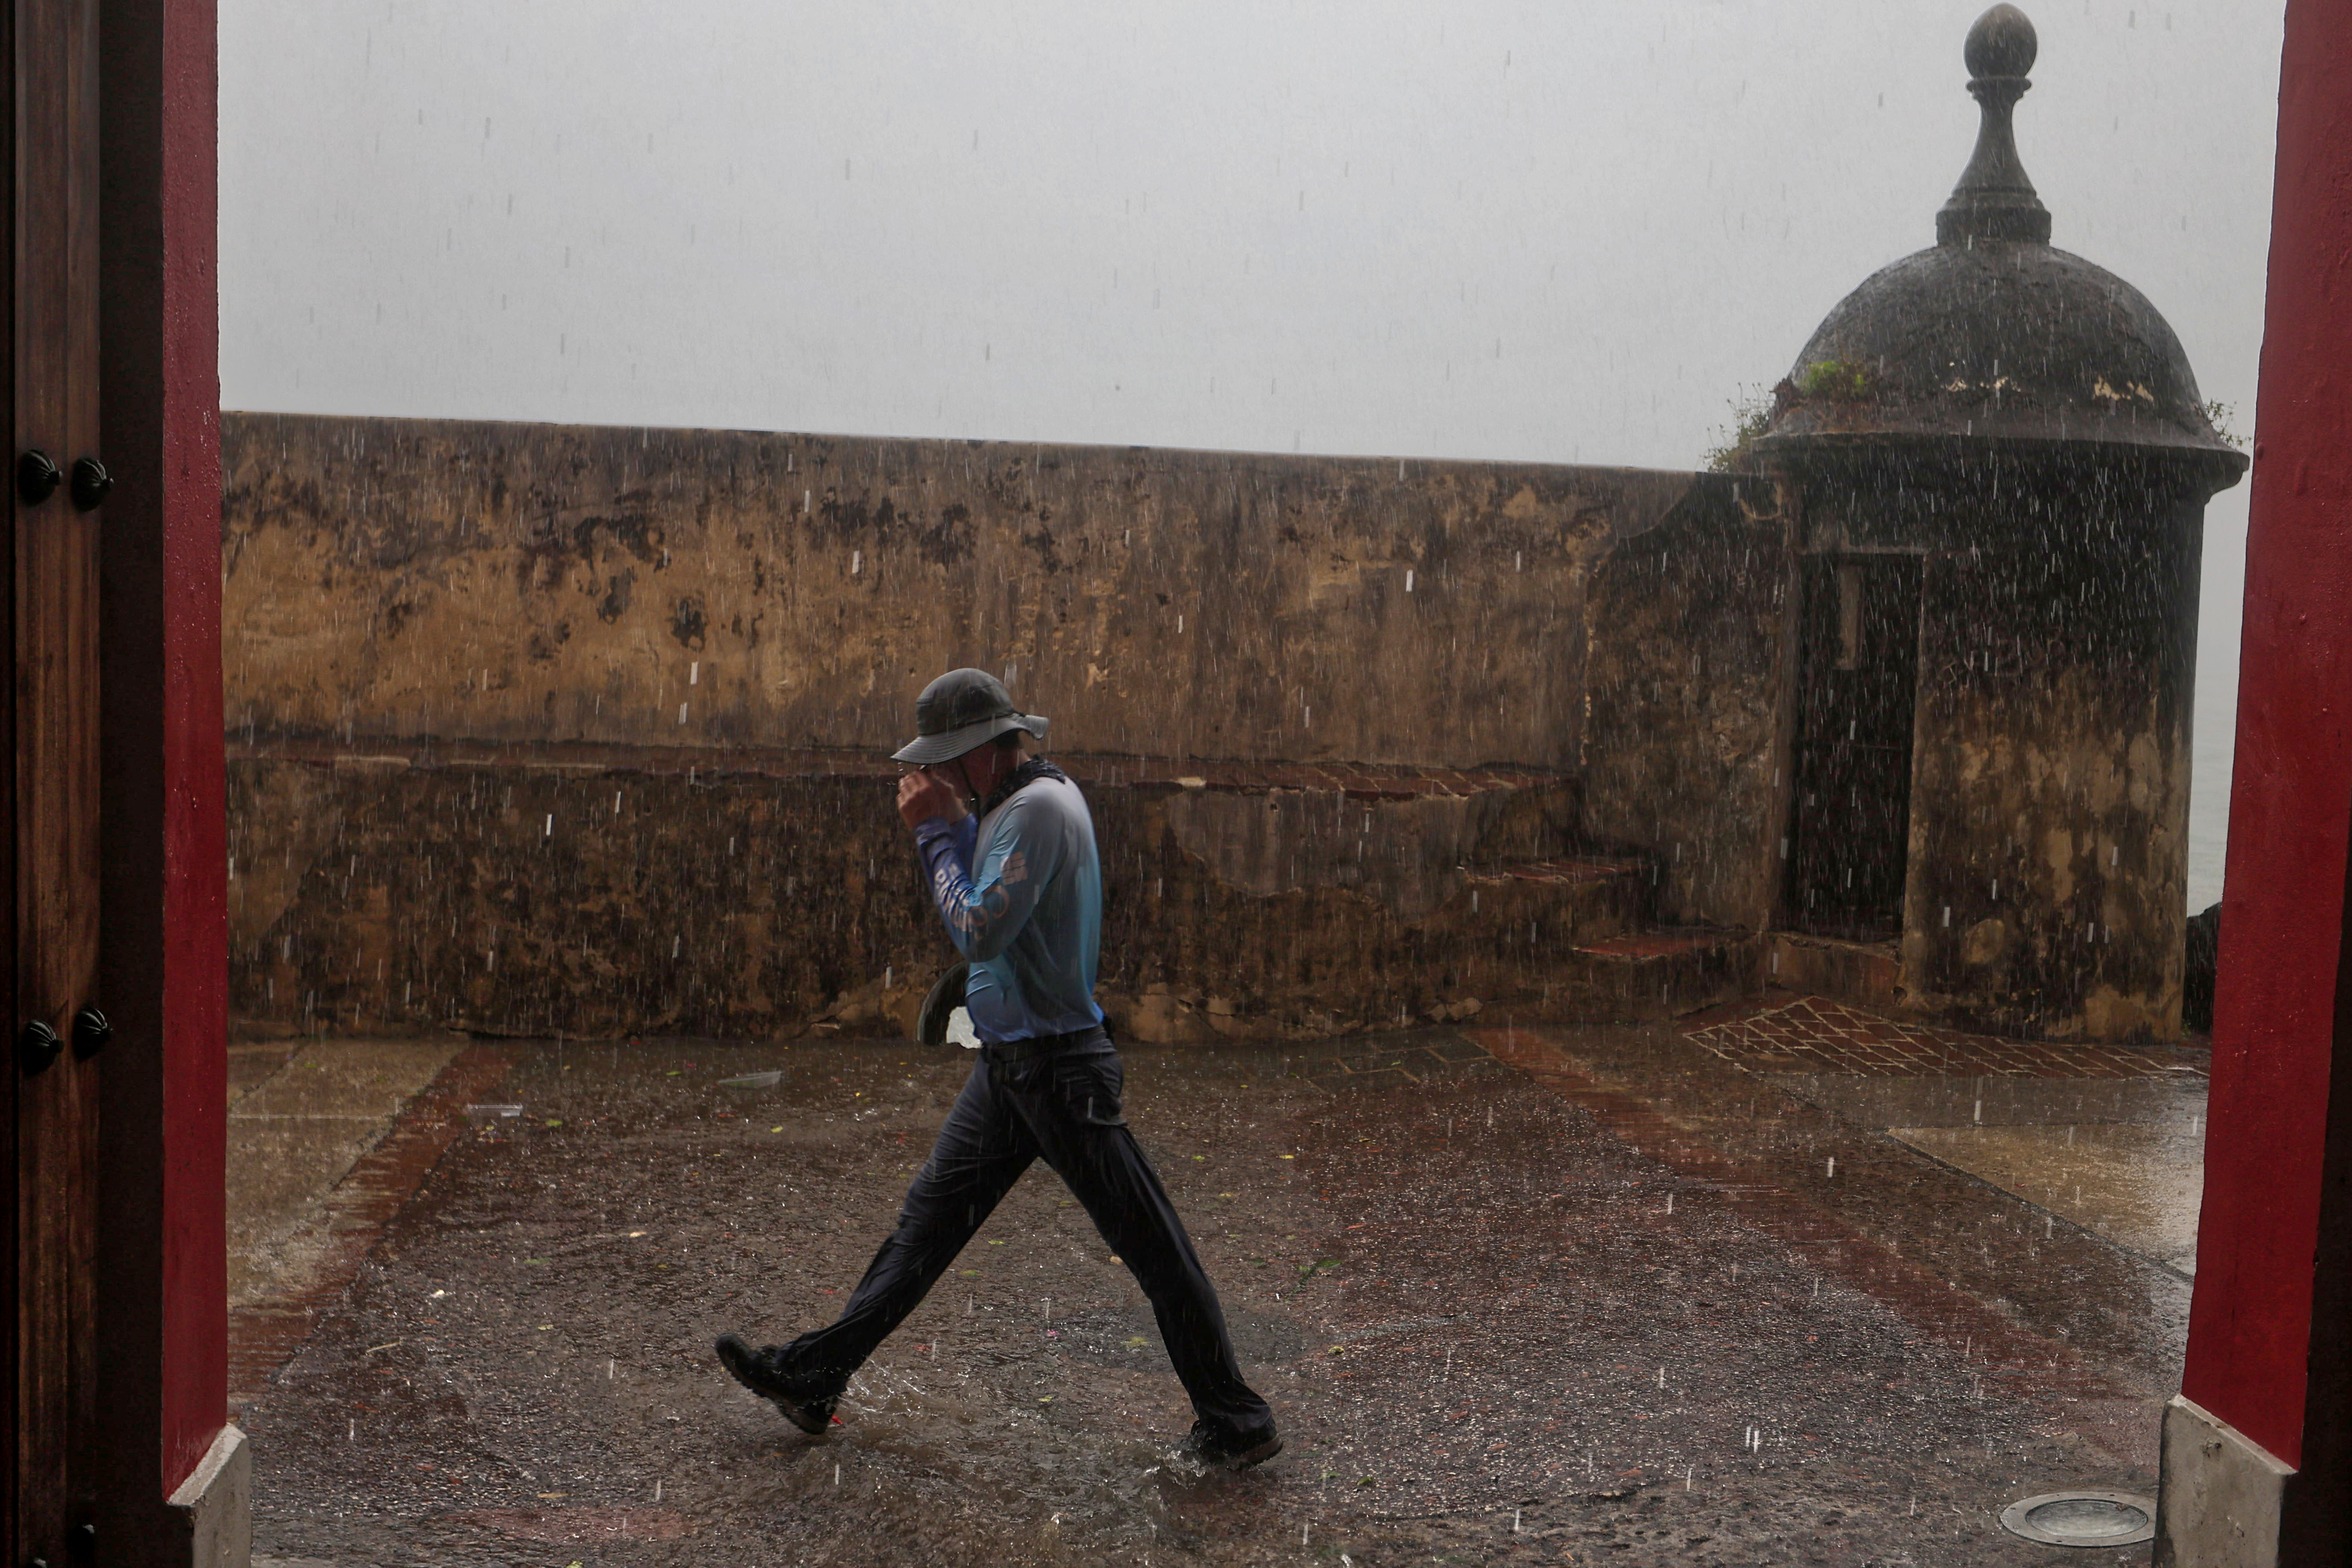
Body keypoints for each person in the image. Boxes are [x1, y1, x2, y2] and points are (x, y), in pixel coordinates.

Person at [716, 668, 1281, 1469]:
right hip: (1010, 1070)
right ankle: (816, 1377)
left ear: (984, 752)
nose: (937, 777)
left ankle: (1236, 1418)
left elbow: (979, 928)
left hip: (1059, 1073)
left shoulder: (1036, 811)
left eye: (946, 761)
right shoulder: (1015, 803)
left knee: (1157, 1250)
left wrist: (932, 834)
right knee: (922, 1233)